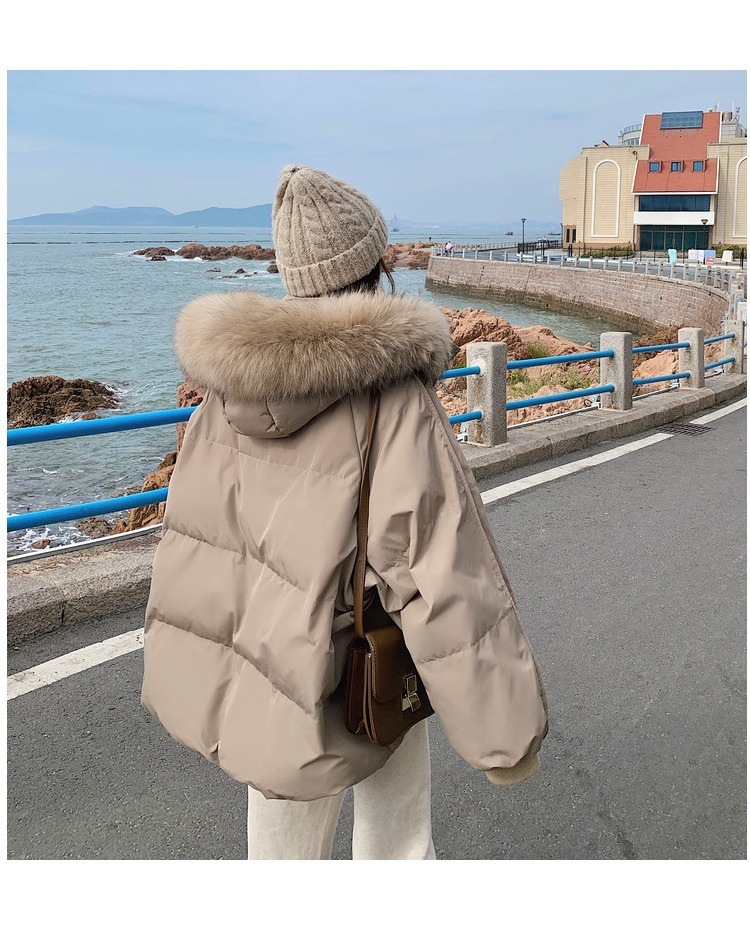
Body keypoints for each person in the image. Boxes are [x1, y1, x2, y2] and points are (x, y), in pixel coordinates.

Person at [141, 165, 548, 860]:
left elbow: (196, 535)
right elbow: (440, 566)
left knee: (279, 852)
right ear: (374, 265)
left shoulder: (226, 390)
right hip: (364, 652)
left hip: (268, 659)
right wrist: (507, 737)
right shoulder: (391, 396)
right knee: (396, 844)